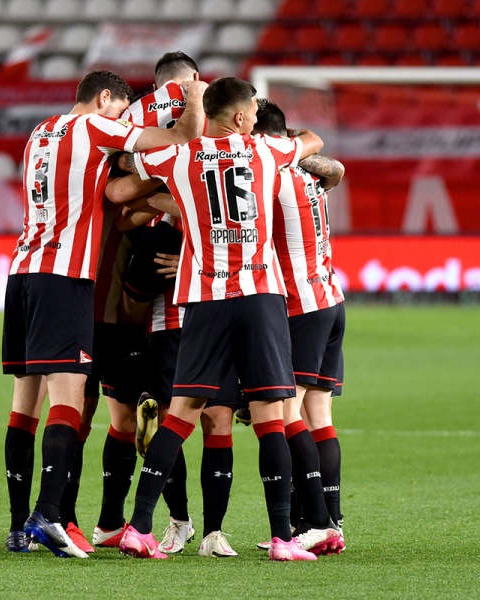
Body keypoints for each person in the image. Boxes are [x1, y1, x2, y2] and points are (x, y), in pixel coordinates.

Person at [115, 76, 324, 561]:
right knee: (271, 412)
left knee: (183, 411)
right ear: (240, 117)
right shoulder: (264, 150)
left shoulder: (181, 156)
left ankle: (139, 527)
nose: (253, 114)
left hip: (202, 298)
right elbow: (314, 141)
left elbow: (132, 162)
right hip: (257, 294)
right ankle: (281, 539)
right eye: (250, 109)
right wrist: (293, 144)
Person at [1, 69, 206, 557]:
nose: (121, 119)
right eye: (119, 108)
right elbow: (181, 134)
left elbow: (107, 189)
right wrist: (194, 97)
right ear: (105, 98)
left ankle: (17, 527)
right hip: (63, 277)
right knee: (68, 400)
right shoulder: (94, 127)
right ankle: (48, 515)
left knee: (23, 406)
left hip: (22, 272)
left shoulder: (41, 130)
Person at [253, 99, 347, 555]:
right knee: (319, 416)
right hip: (329, 298)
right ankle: (332, 521)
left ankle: (318, 521)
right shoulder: (308, 176)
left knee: (289, 415)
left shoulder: (267, 179)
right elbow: (336, 168)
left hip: (299, 307)